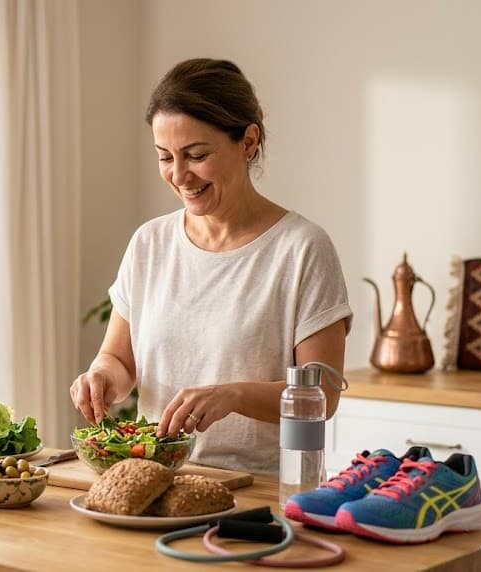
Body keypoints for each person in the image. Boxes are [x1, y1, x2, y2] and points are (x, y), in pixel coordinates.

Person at [70, 58, 352, 474]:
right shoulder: (150, 243)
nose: (180, 175)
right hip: (156, 480)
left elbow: (323, 395)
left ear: (249, 142)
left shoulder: (301, 249)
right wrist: (102, 377)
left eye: (196, 155)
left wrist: (233, 396)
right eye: (165, 157)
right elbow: (120, 360)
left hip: (264, 493)